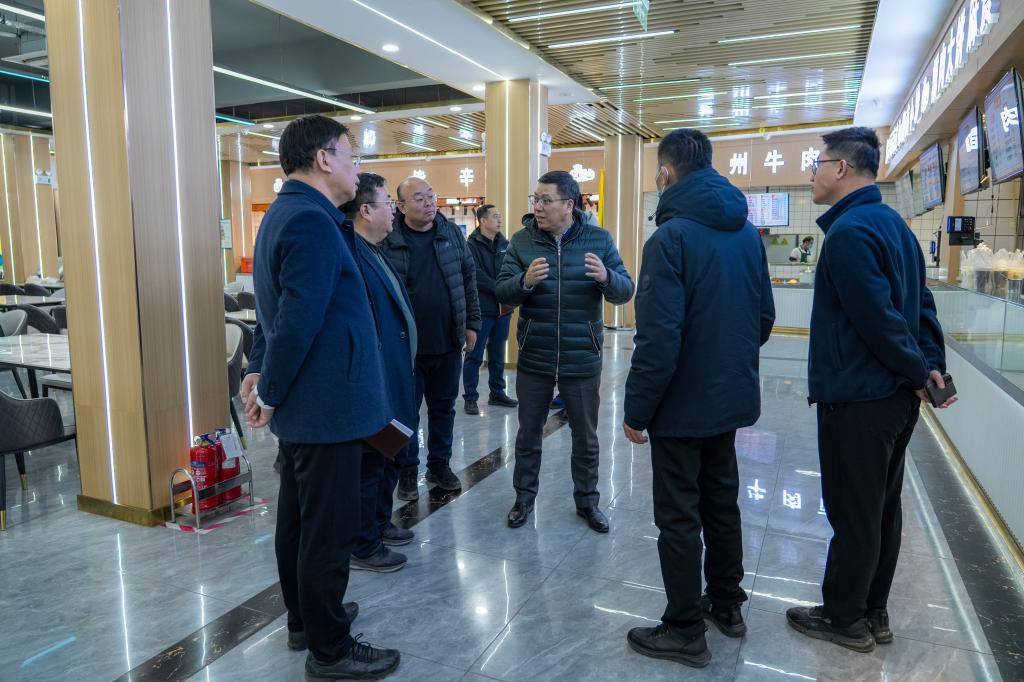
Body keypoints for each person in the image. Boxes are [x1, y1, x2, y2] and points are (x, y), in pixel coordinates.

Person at [240, 115, 400, 679]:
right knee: (327, 533)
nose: (357, 168)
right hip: (326, 407)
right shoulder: (310, 220)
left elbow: (278, 311)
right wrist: (270, 390)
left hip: (311, 406)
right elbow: (295, 321)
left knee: (299, 522)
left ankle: (306, 620)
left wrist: (260, 373)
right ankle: (330, 649)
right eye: (350, 155)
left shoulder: (291, 213)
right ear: (324, 159)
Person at [785, 126, 954, 652]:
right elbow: (922, 309)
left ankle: (845, 618)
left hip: (859, 397)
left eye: (817, 164)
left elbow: (877, 319)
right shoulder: (895, 227)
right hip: (894, 400)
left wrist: (917, 371)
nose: (812, 174)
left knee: (854, 512)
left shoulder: (850, 232)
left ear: (840, 168)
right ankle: (873, 611)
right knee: (881, 508)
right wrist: (929, 369)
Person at [622, 129, 776, 668]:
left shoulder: (670, 239)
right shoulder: (747, 234)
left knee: (679, 516)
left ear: (666, 173)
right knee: (721, 501)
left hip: (680, 406)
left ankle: (685, 628)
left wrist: (637, 409)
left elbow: (658, 339)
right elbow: (763, 317)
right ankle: (727, 605)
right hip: (727, 399)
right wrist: (725, 361)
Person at [496, 170, 634, 532]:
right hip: (535, 356)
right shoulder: (522, 241)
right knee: (528, 434)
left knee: (586, 438)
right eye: (535, 200)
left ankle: (588, 503)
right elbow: (502, 290)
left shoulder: (599, 240)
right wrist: (524, 282)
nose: (538, 207)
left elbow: (625, 290)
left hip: (582, 356)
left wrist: (606, 278)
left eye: (546, 200)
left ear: (569, 205)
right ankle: (523, 499)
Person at [382, 177, 481, 501]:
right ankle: (407, 471)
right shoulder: (389, 238)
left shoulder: (450, 233)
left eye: (431, 195)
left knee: (444, 409)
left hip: (447, 342)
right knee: (404, 413)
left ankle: (439, 465)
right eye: (419, 198)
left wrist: (472, 324)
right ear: (401, 206)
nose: (428, 203)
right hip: (405, 348)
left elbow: (468, 279)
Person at [340, 173, 417, 573]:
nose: (394, 212)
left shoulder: (376, 250)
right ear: (367, 210)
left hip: (396, 374)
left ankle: (380, 523)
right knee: (371, 463)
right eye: (389, 203)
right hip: (377, 379)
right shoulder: (353, 255)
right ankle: (364, 544)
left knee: (389, 456)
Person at [463, 204, 517, 415]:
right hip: (481, 308)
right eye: (495, 216)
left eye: (499, 216)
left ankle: (497, 393)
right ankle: (470, 397)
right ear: (483, 220)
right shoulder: (471, 245)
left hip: (503, 308)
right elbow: (474, 273)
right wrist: (499, 287)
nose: (499, 220)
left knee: (497, 353)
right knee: (475, 354)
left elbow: (512, 269)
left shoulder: (506, 244)